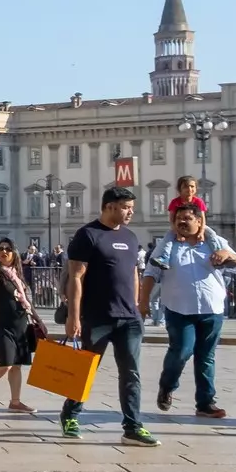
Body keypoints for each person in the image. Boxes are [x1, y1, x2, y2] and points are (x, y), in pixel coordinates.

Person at [59, 186, 159, 446]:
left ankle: (133, 426)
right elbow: (76, 278)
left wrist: (137, 306)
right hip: (97, 316)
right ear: (109, 206)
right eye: (126, 208)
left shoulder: (130, 237)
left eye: (131, 209)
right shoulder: (87, 235)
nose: (130, 213)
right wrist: (74, 316)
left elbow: (134, 272)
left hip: (129, 318)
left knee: (131, 373)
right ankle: (70, 414)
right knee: (85, 370)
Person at [142, 199, 236, 419]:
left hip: (211, 308)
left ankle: (206, 403)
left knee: (206, 356)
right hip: (179, 309)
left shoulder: (213, 242)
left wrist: (229, 256)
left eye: (187, 219)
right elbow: (150, 272)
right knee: (181, 351)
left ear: (199, 221)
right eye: (178, 219)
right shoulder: (167, 246)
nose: (182, 222)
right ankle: (167, 385)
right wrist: (143, 302)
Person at [0, 238, 39, 412]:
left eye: (8, 249)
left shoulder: (16, 274)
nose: (4, 251)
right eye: (0, 249)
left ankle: (15, 402)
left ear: (14, 253)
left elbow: (26, 300)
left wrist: (38, 320)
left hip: (21, 325)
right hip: (1, 324)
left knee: (17, 364)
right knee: (6, 363)